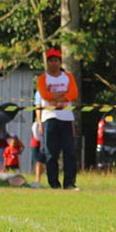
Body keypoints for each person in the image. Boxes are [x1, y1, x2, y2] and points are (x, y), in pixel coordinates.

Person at [37, 48, 79, 190]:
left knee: (69, 151)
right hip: (50, 118)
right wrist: (62, 94)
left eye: (56, 60)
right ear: (47, 62)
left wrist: (56, 95)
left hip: (66, 118)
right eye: (50, 61)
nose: (53, 63)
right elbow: (45, 95)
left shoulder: (68, 77)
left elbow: (73, 94)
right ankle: (54, 183)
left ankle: (69, 182)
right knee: (51, 153)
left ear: (60, 62)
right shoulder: (43, 79)